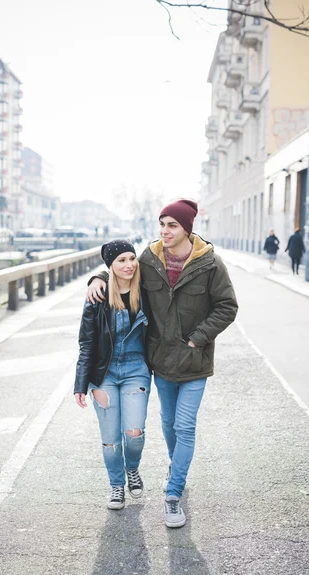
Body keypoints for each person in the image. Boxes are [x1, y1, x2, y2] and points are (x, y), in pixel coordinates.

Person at [87, 199, 238, 528]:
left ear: (186, 228)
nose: (164, 231)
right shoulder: (150, 259)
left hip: (195, 361)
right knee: (169, 424)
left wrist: (198, 337)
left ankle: (173, 493)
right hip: (161, 362)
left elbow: (227, 306)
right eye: (162, 224)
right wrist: (97, 278)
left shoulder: (210, 264)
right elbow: (122, 272)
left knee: (185, 426)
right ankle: (176, 465)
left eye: (171, 225)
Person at [74, 239, 151, 511]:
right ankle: (116, 486)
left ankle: (132, 468)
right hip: (104, 373)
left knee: (134, 432)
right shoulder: (98, 296)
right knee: (110, 440)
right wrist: (80, 385)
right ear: (110, 265)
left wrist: (98, 275)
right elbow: (87, 343)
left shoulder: (146, 289)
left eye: (132, 258)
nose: (129, 264)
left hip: (136, 370)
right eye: (121, 260)